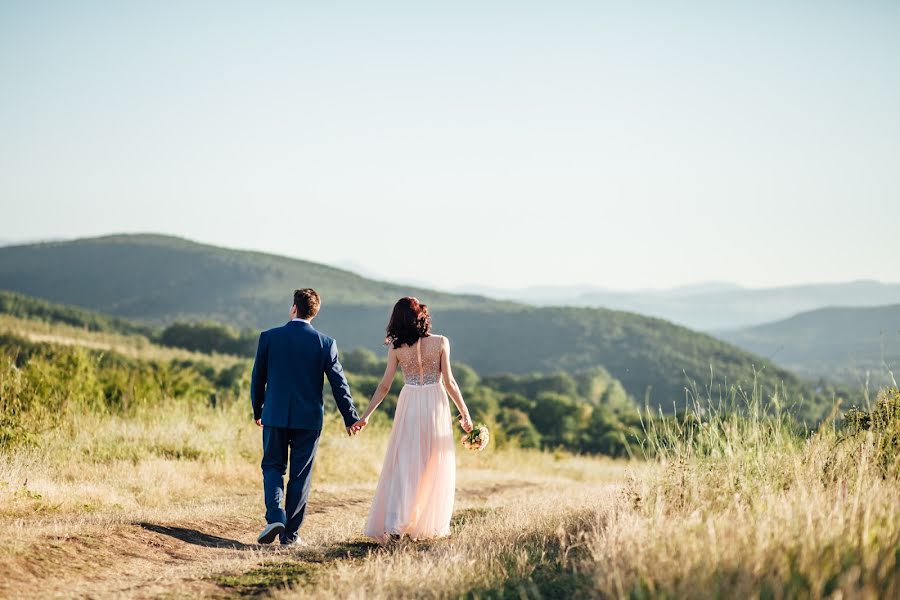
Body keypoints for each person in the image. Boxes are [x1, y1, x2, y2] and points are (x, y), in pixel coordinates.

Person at [352, 297, 473, 541]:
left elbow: (384, 386)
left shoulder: (397, 349)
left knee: (405, 463)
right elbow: (449, 382)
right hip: (434, 404)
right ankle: (425, 522)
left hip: (409, 403)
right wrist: (464, 412)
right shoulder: (440, 342)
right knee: (432, 462)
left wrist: (365, 416)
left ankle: (396, 523)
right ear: (421, 316)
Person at [250, 288, 361, 545]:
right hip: (308, 420)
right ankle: (290, 535)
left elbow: (258, 379)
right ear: (315, 312)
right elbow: (339, 384)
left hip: (275, 415)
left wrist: (259, 411)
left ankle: (275, 515)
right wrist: (350, 417)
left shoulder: (269, 337)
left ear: (293, 308)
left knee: (273, 467)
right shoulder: (325, 343)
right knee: (300, 475)